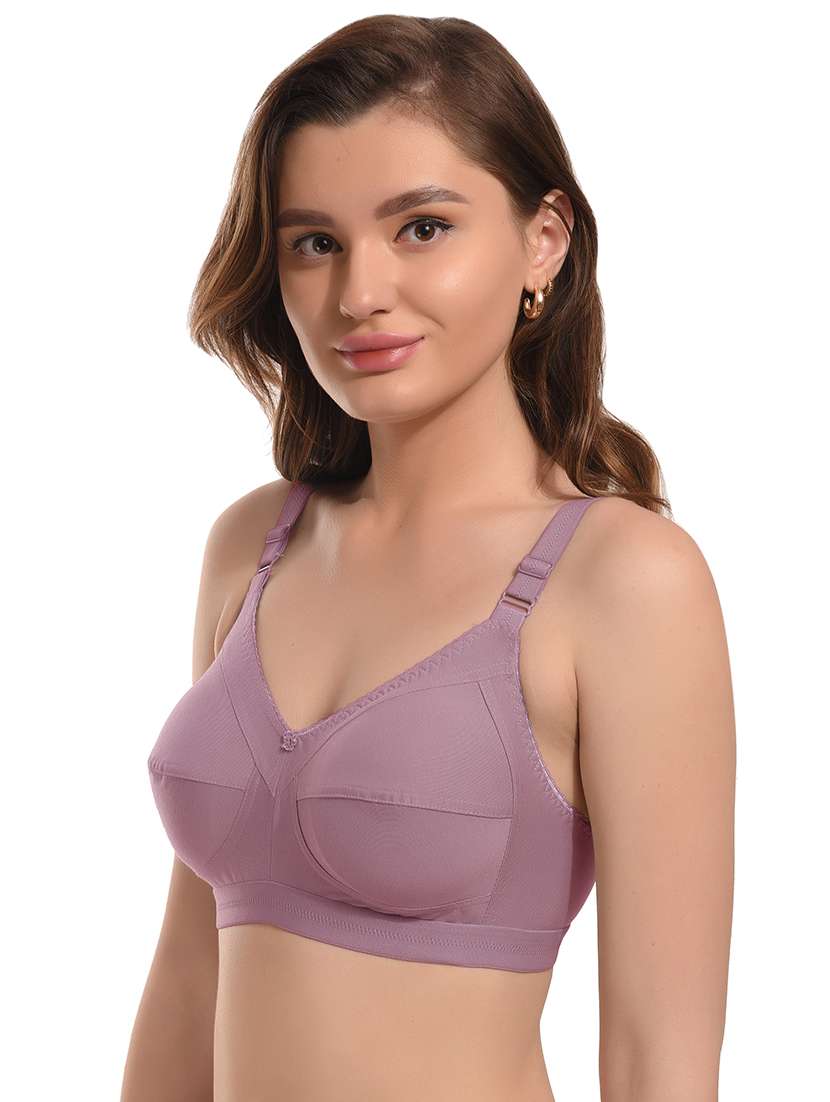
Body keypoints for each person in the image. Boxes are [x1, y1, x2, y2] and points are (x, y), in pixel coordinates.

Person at [121, 15, 735, 1102]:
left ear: (543, 240)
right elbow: (188, 973)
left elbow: (657, 1059)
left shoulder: (623, 581)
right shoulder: (253, 546)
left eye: (421, 228)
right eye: (314, 242)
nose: (359, 292)